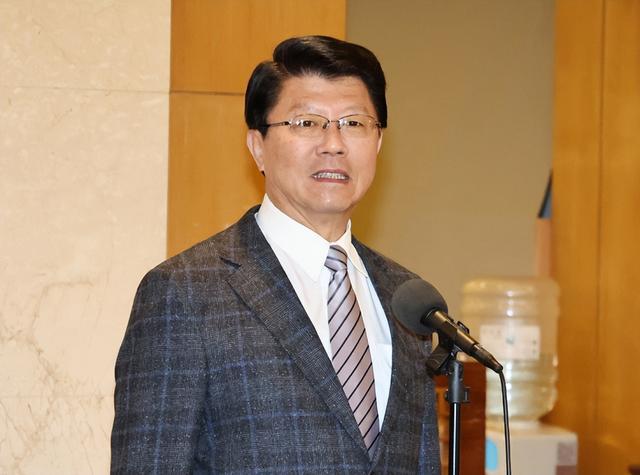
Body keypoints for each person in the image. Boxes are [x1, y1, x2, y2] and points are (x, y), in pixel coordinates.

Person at [111, 35, 440, 474]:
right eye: (307, 123)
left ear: (378, 143)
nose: (333, 143)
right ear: (258, 146)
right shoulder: (185, 293)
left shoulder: (407, 299)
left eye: (354, 123)